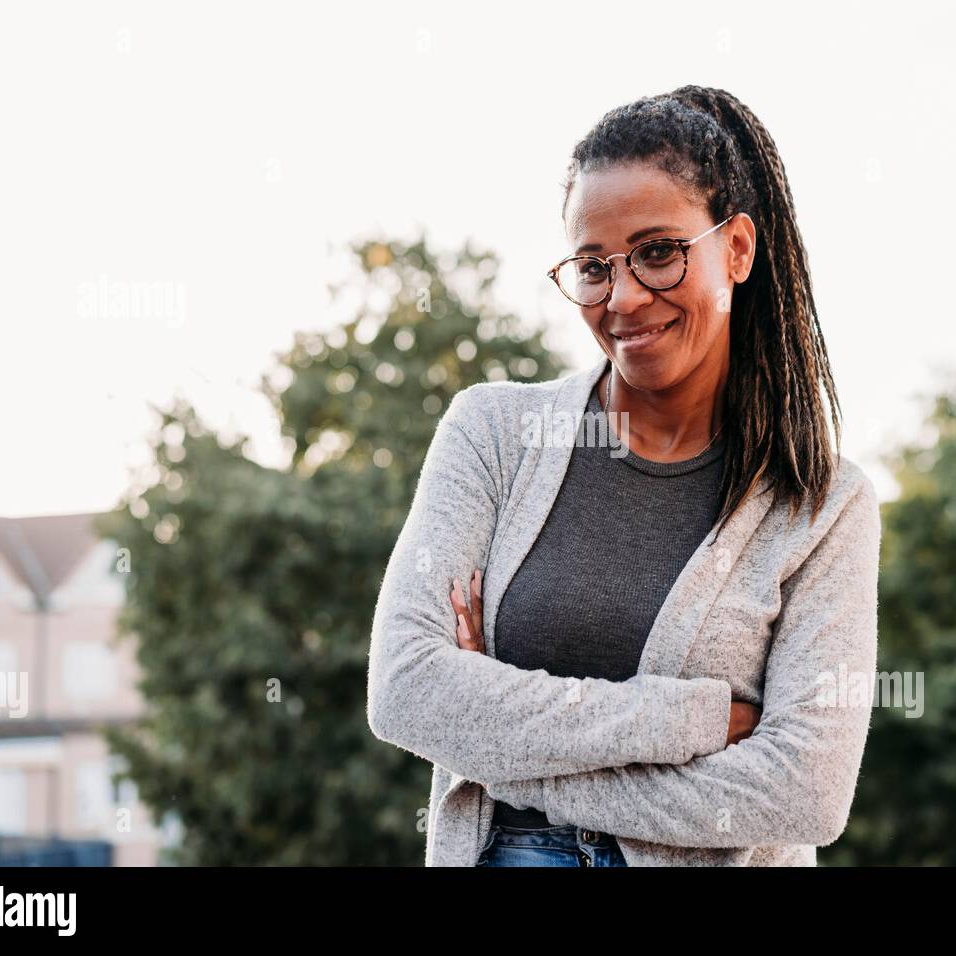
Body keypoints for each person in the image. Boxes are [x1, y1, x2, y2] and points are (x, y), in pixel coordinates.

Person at [367, 85, 881, 867]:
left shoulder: (823, 504)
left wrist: (509, 756)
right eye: (593, 266)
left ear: (736, 249)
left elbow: (801, 791)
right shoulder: (493, 436)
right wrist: (699, 719)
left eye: (657, 252)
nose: (624, 297)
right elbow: (407, 688)